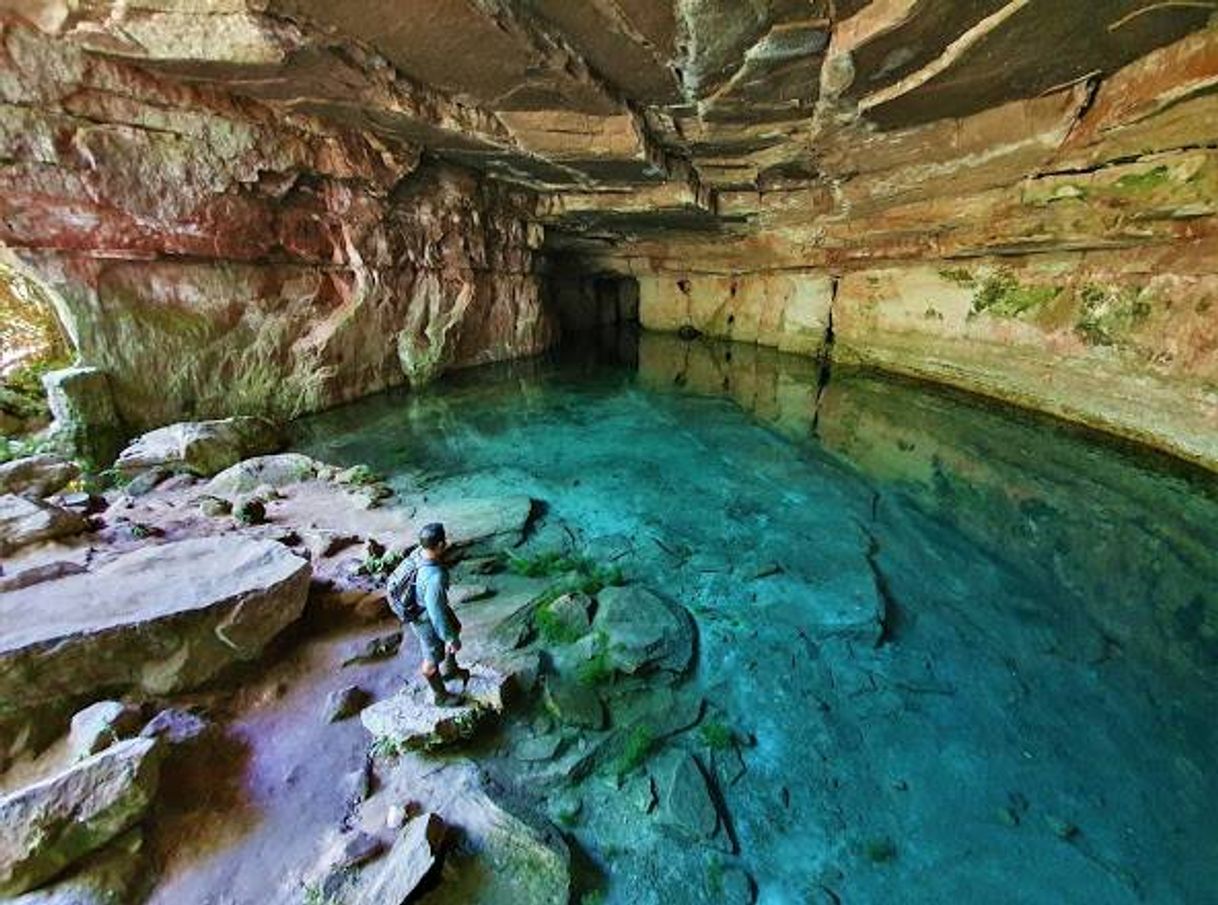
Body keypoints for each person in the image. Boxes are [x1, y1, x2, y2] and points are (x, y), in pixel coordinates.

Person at [409, 522, 470, 705]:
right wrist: (450, 638)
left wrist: (452, 632)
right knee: (431, 659)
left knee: (455, 626)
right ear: (441, 545)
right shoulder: (435, 578)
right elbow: (436, 613)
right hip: (424, 618)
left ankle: (450, 670)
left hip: (424, 605)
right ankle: (440, 697)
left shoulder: (417, 554)